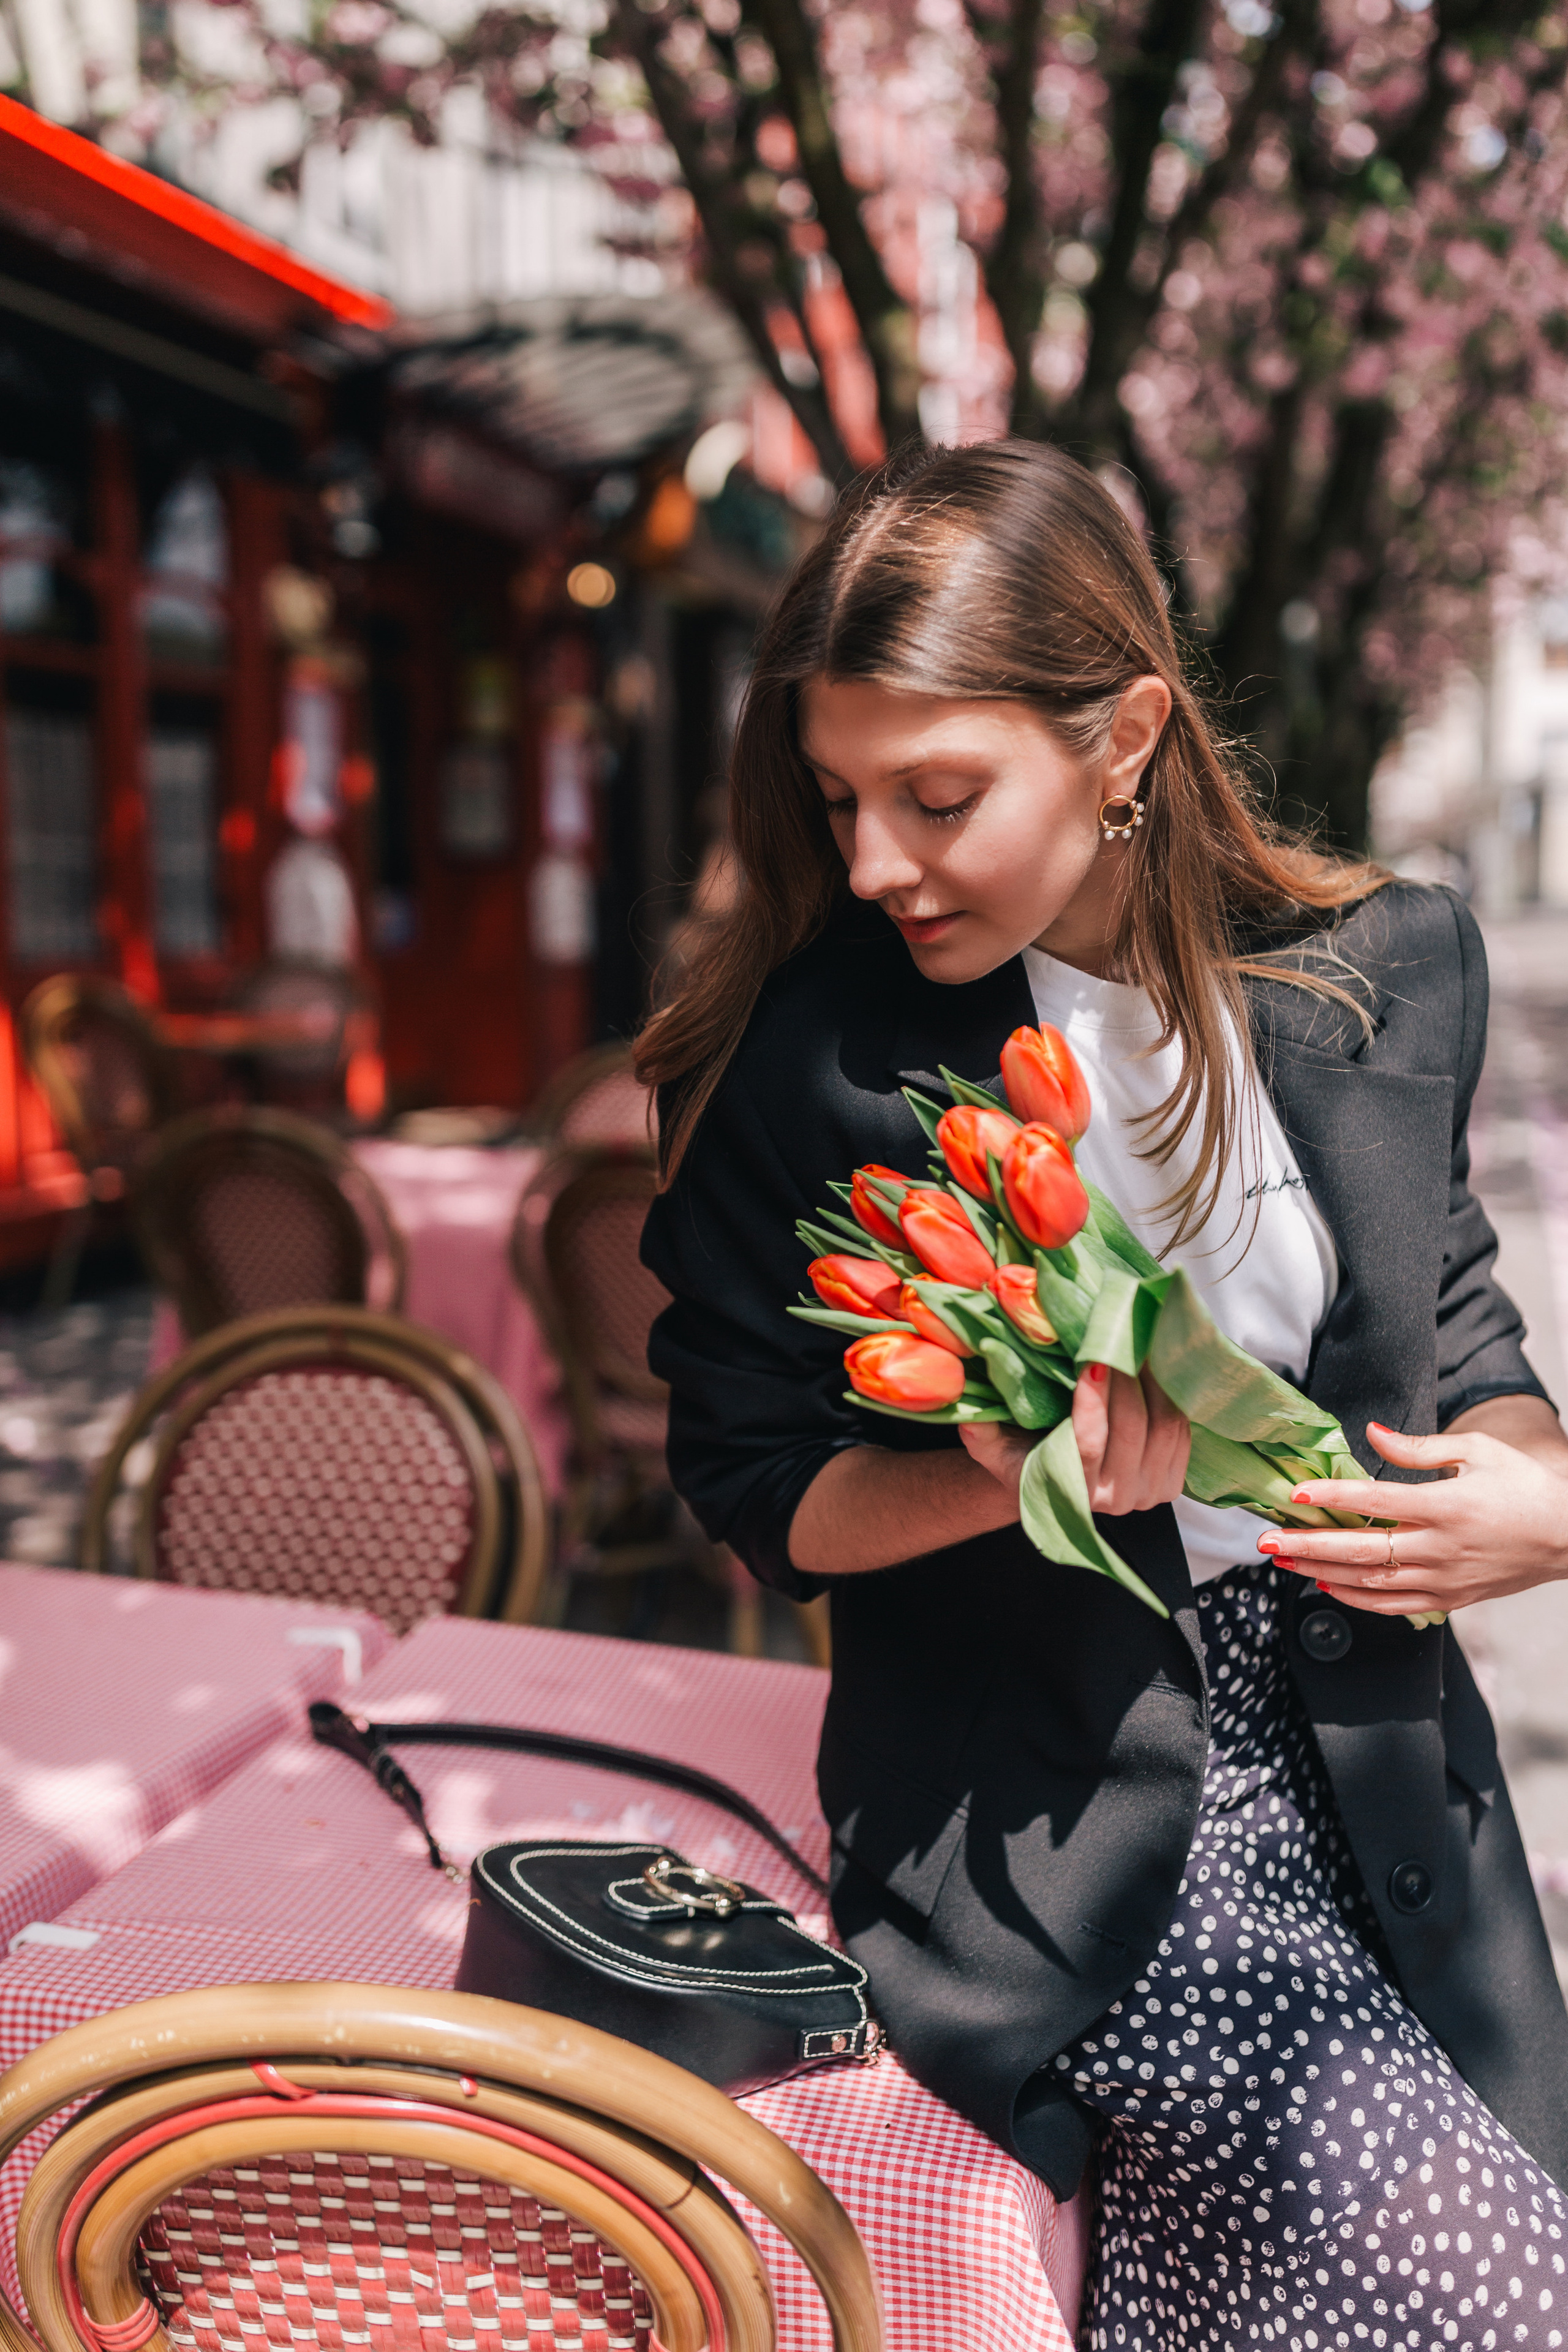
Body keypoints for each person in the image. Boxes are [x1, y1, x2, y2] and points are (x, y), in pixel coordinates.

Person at [638, 439, 1568, 2351]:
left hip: (1396, 1776)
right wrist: (1001, 1475)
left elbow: (1468, 1342)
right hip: (1057, 1825)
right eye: (840, 798)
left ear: (1127, 735)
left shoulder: (1385, 973)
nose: (875, 863)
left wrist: (1534, 1502)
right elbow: (755, 1483)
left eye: (939, 797)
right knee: (1475, 2285)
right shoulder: (812, 1061)